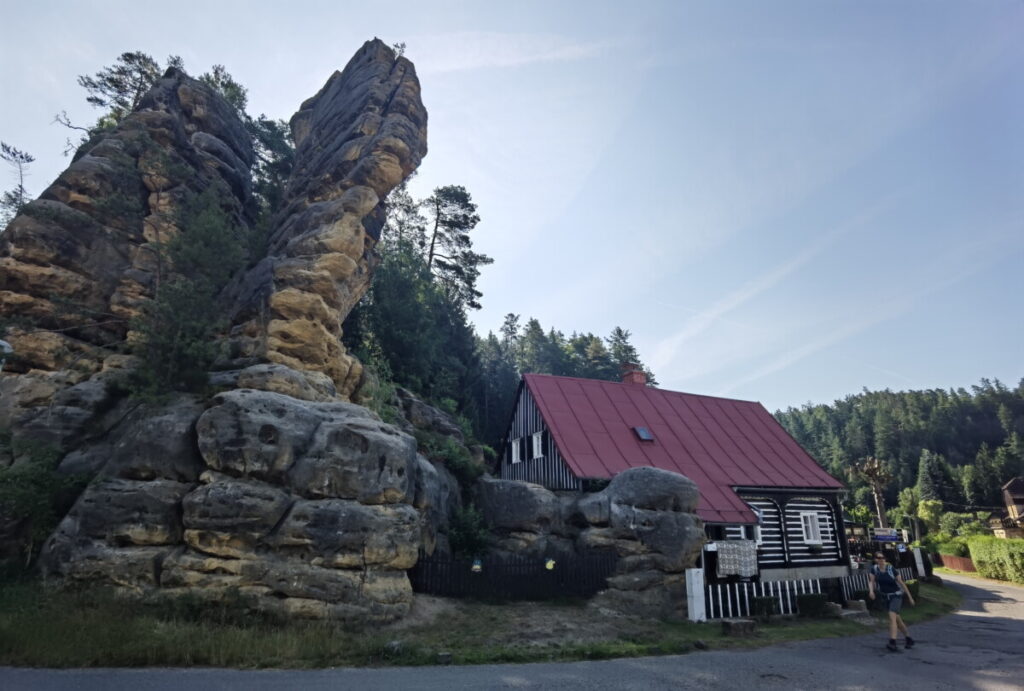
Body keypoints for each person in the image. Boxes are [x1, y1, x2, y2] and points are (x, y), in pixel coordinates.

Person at [868, 551, 916, 651]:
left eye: (883, 558)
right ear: (875, 559)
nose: (881, 560)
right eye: (879, 558)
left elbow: (902, 583)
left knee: (891, 616)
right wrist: (871, 591)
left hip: (896, 596)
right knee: (897, 620)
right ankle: (908, 639)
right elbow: (871, 581)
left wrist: (910, 597)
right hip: (885, 597)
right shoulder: (874, 569)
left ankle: (892, 642)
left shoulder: (891, 569)